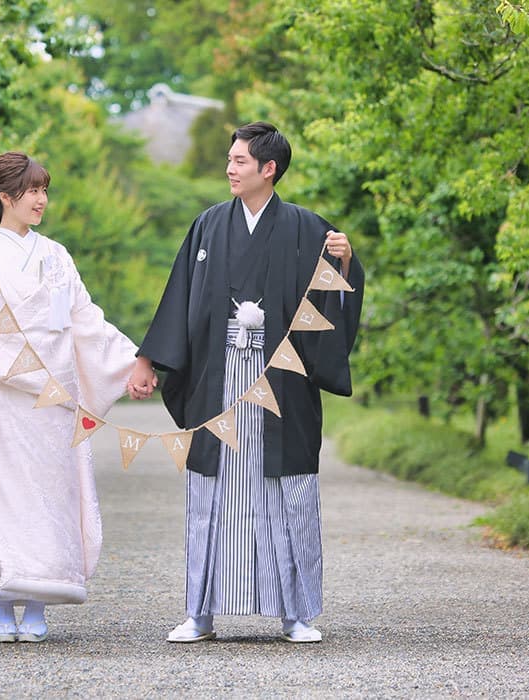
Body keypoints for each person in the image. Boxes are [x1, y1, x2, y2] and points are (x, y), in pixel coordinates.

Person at [128, 122, 364, 643]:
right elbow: (178, 298)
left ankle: (295, 613)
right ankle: (200, 612)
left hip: (282, 380)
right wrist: (149, 360)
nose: (230, 169)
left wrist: (346, 262)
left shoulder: (308, 228)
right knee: (212, 493)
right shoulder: (208, 226)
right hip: (217, 378)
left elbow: (335, 298)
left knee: (285, 492)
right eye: (230, 159)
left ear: (268, 169)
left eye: (240, 161)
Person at [0, 152, 139, 643]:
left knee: (50, 496)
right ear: (5, 197)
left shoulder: (57, 255)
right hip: (2, 395)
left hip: (54, 396)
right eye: (32, 191)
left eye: (45, 190)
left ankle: (39, 600)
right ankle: (3, 603)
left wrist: (133, 363)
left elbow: (84, 320)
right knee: (3, 496)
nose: (41, 200)